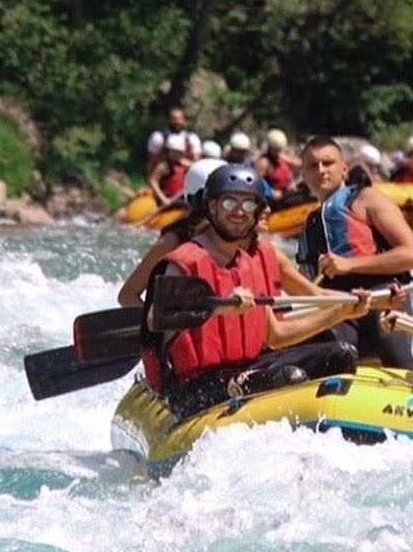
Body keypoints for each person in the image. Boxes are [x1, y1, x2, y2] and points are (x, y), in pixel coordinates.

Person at [141, 164, 372, 418]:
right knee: (289, 378)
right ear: (212, 206)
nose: (239, 212)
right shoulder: (185, 260)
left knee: (342, 354)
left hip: (247, 367)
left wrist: (340, 313)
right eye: (230, 203)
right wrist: (219, 307)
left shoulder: (248, 263)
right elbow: (155, 317)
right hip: (194, 387)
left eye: (249, 205)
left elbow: (276, 335)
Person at [119, 159, 331, 307]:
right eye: (230, 199)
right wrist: (158, 331)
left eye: (247, 200)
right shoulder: (174, 243)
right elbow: (128, 296)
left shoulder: (261, 248)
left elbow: (315, 296)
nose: (240, 210)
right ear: (209, 203)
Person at [296, 135, 413, 369]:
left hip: (382, 297)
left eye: (328, 163)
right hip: (340, 309)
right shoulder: (310, 224)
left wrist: (350, 264)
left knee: (390, 345)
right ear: (303, 174)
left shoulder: (367, 198)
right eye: (312, 165)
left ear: (344, 168)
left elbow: (412, 255)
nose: (321, 170)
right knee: (323, 348)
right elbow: (305, 284)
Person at [146, 106, 201, 176]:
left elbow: (197, 163)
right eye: (174, 119)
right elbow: (152, 161)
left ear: (184, 121)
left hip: (186, 178)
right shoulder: (158, 137)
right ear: (168, 120)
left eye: (180, 119)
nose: (177, 122)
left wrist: (181, 161)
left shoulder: (192, 138)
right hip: (164, 179)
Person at [255, 128, 302, 203]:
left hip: (287, 194)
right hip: (273, 199)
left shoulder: (282, 157)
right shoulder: (264, 162)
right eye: (276, 149)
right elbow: (256, 182)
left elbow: (300, 165)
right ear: (270, 147)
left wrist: (293, 184)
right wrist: (270, 192)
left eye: (279, 149)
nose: (278, 152)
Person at [146, 133, 189, 205]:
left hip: (180, 200)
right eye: (174, 152)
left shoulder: (184, 165)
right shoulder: (164, 166)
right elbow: (153, 181)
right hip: (166, 201)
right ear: (168, 151)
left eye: (179, 152)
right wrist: (163, 199)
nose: (176, 154)